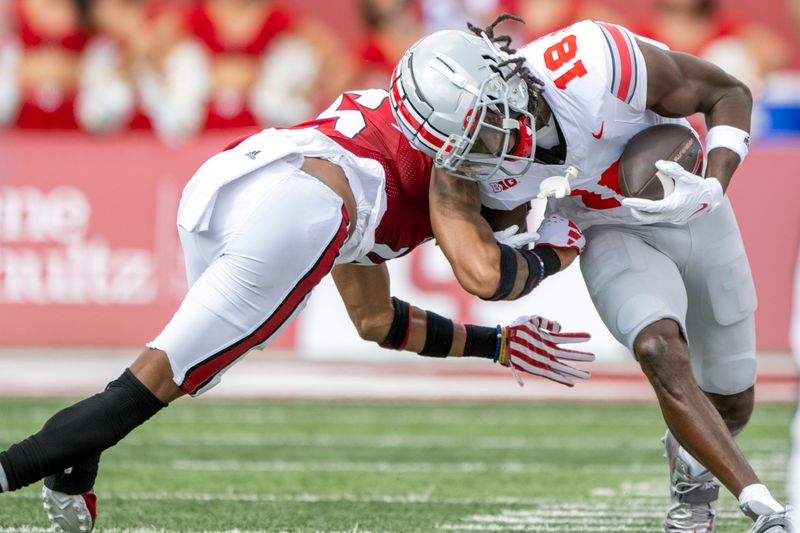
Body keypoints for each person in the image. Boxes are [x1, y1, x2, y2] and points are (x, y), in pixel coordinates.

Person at [0, 86, 595, 532]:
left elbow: (376, 321)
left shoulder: (402, 136)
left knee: (165, 366)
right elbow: (487, 274)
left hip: (239, 173)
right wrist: (549, 255)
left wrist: (494, 345)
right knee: (151, 385)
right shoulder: (445, 183)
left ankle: (75, 465)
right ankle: (18, 468)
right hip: (301, 212)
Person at [389, 14, 792, 533]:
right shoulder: (471, 166)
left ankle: (692, 460)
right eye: (455, 140)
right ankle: (761, 507)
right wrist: (543, 255)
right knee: (657, 349)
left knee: (733, 398)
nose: (471, 153)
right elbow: (491, 277)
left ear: (503, 88)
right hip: (606, 230)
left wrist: (713, 186)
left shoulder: (591, 65)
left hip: (690, 209)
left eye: (477, 129)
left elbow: (728, 92)